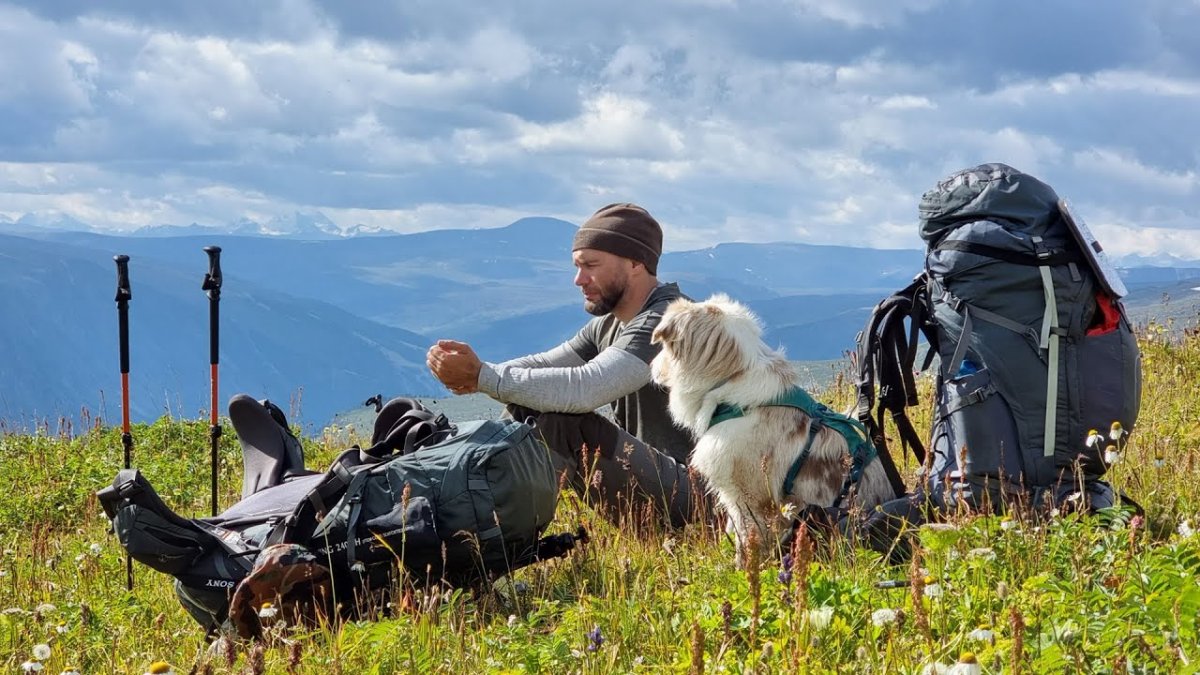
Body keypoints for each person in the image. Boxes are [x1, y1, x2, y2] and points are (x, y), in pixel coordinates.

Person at [426, 203, 705, 527]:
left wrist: (482, 376)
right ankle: (453, 516)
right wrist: (477, 371)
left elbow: (587, 387)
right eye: (577, 266)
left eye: (591, 265)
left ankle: (477, 537)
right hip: (661, 484)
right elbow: (544, 366)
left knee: (563, 424)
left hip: (703, 497)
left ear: (635, 263)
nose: (578, 279)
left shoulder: (670, 322)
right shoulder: (610, 325)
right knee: (530, 406)